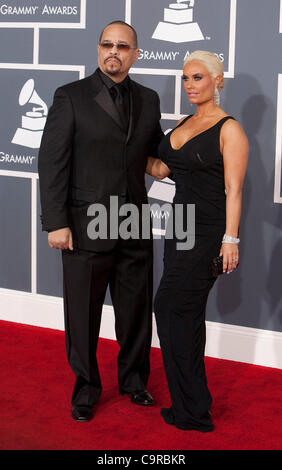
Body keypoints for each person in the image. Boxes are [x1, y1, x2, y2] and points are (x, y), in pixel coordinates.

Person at [38, 20, 164, 422]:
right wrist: (56, 222)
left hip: (132, 223)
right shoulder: (70, 96)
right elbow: (52, 163)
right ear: (98, 50)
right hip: (84, 225)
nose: (114, 51)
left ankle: (133, 382)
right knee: (82, 315)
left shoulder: (148, 98)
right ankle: (86, 390)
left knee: (136, 311)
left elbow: (156, 151)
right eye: (107, 44)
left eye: (123, 46)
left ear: (135, 54)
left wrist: (202, 153)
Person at [146, 50, 248, 432]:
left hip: (208, 235)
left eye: (198, 77)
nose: (190, 85)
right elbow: (160, 167)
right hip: (180, 229)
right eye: (186, 78)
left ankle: (193, 408)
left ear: (218, 81)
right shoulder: (184, 122)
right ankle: (193, 406)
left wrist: (230, 239)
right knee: (184, 318)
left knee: (169, 307)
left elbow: (234, 190)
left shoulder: (229, 129)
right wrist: (124, 144)